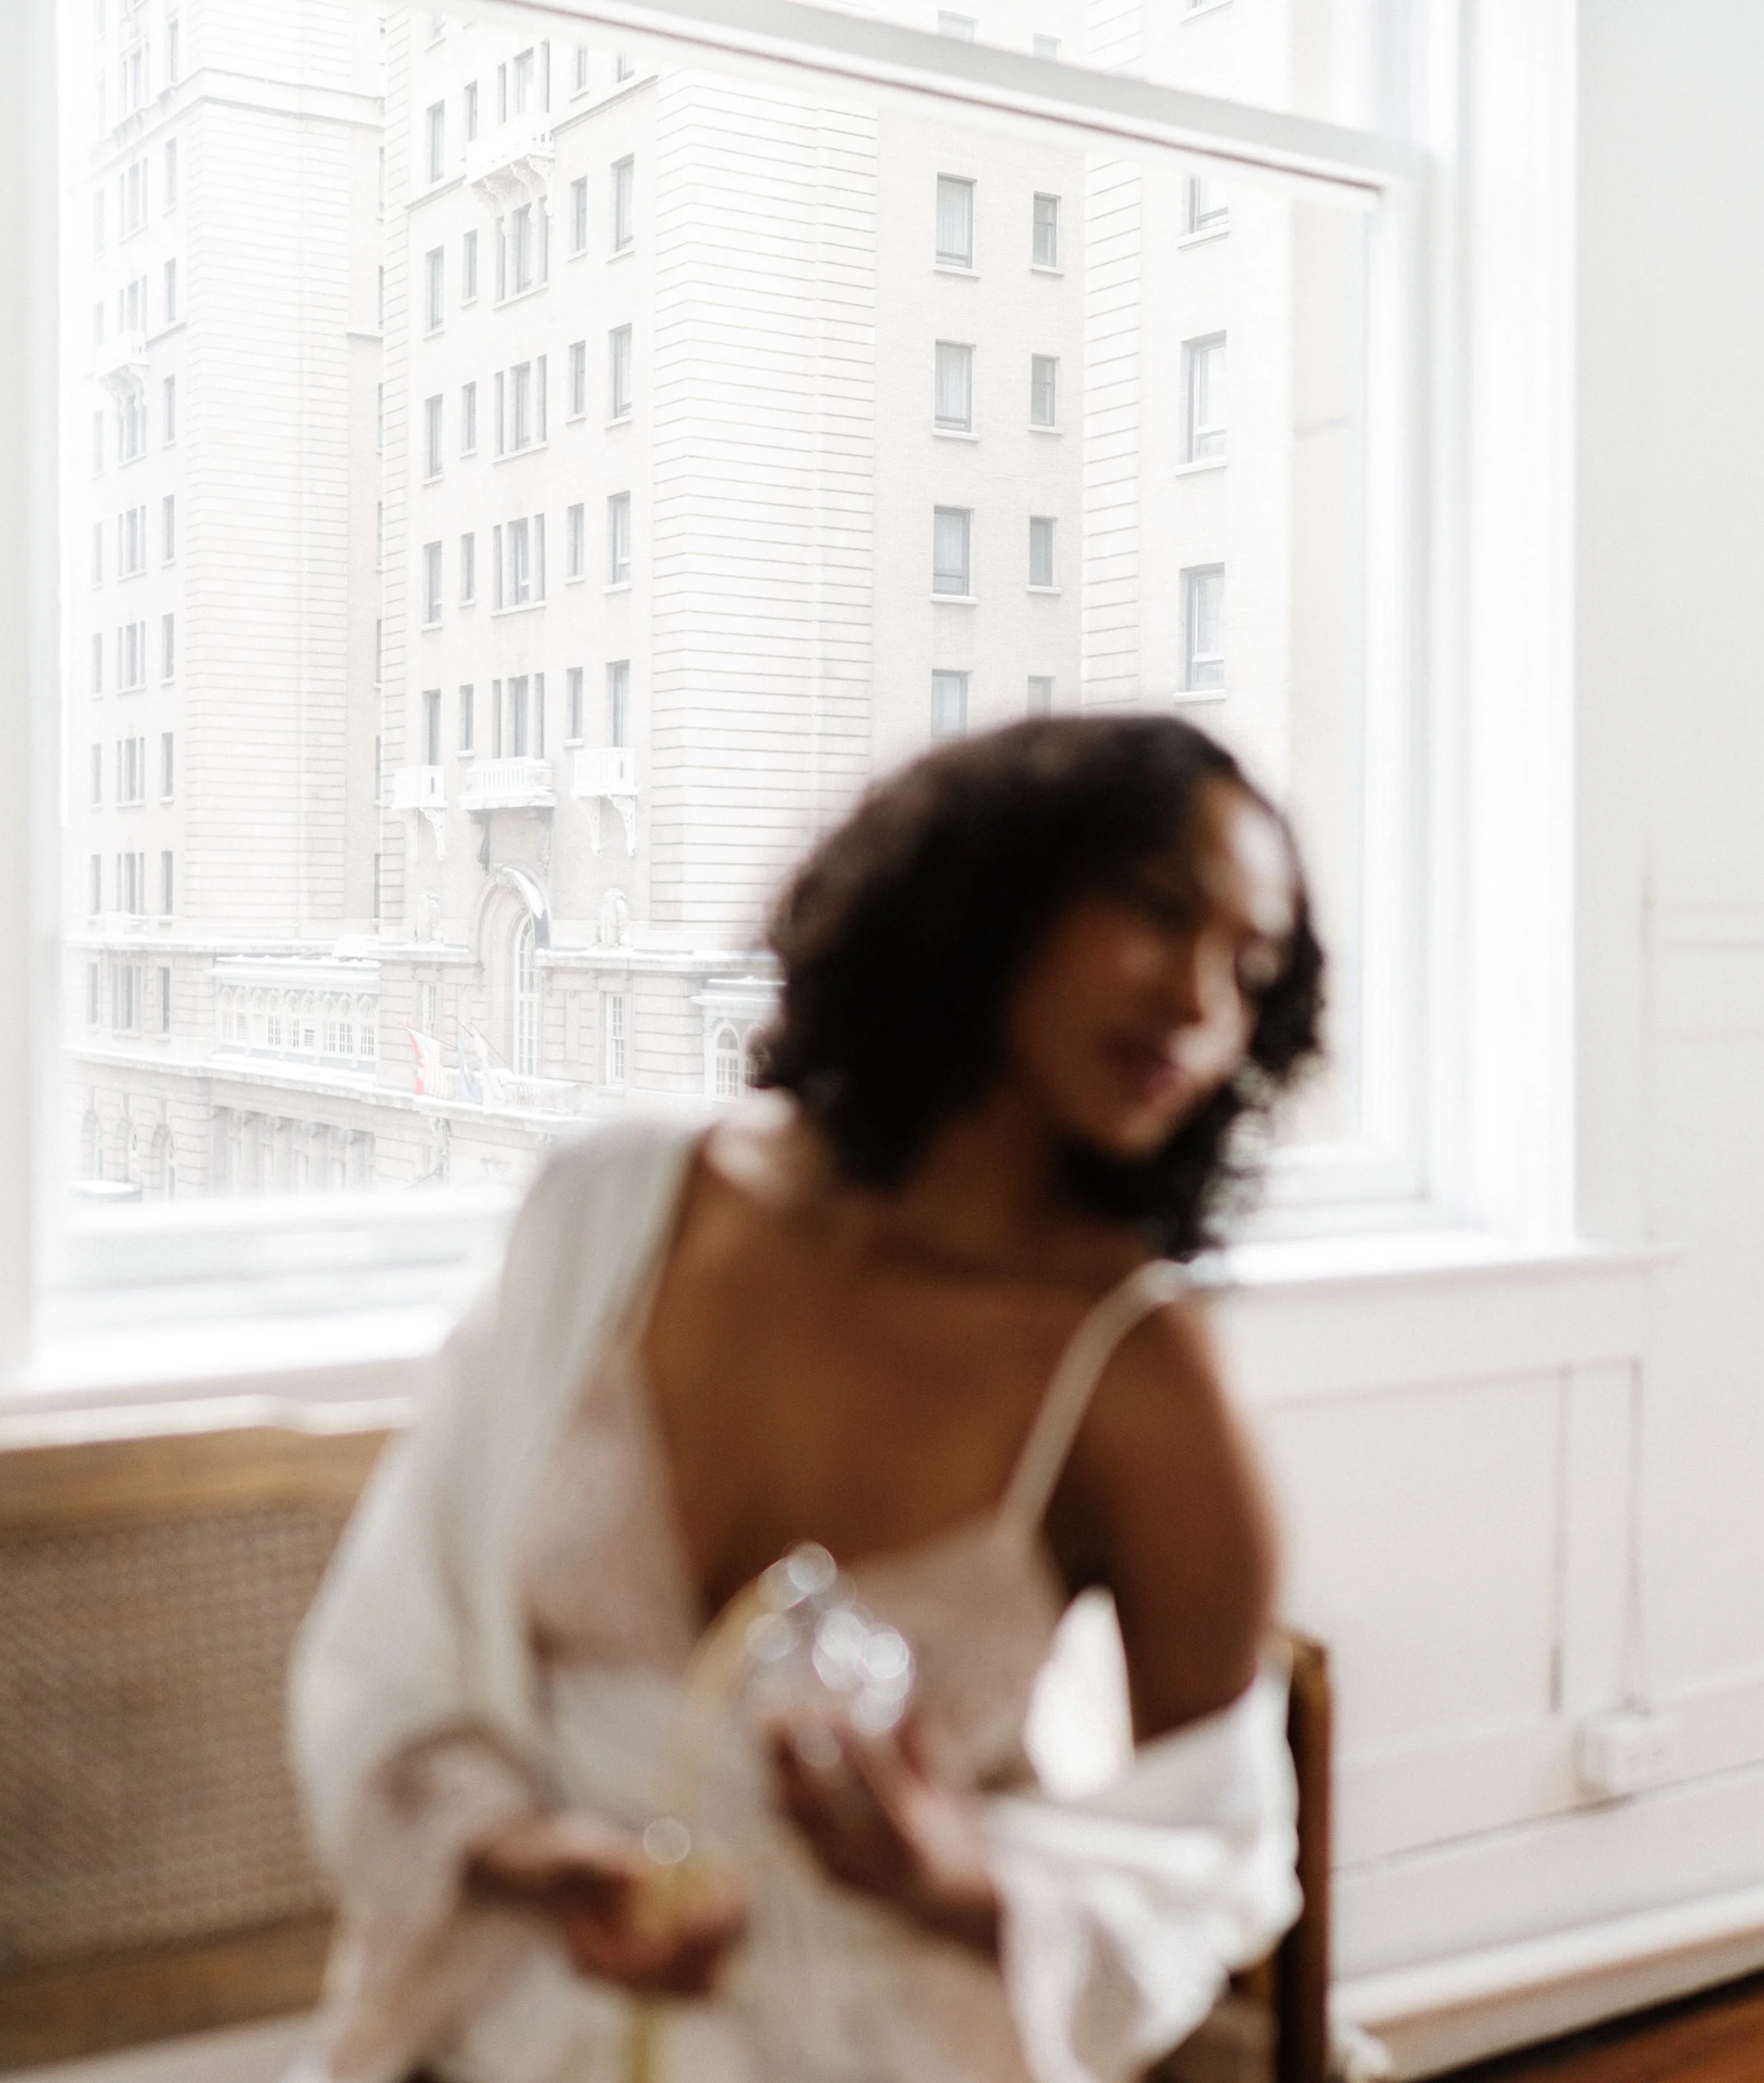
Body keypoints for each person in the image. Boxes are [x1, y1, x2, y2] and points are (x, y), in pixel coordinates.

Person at [289, 714, 1324, 2083]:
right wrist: (538, 1860)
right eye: (1155, 910)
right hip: (519, 2002)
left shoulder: (1142, 1376)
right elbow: (397, 1631)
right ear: (984, 889)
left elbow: (1219, 1851)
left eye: (1250, 969)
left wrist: (958, 1880)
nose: (1203, 1002)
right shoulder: (608, 1210)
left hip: (885, 2037)